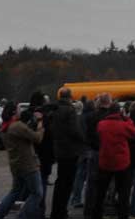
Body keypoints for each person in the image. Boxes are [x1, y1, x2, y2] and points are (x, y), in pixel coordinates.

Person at [0, 101, 46, 219]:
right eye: (19, 109)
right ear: (14, 112)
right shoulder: (17, 126)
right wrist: (40, 123)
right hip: (28, 164)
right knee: (37, 194)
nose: (20, 111)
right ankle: (23, 216)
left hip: (16, 164)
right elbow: (37, 138)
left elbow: (23, 136)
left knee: (15, 192)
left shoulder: (5, 127)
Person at [91, 103, 135, 219]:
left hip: (105, 162)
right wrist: (127, 118)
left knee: (100, 193)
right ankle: (122, 215)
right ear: (119, 112)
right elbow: (134, 132)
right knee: (123, 194)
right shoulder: (123, 125)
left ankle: (96, 214)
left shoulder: (101, 125)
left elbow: (98, 135)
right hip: (122, 163)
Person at [50, 88, 85, 219]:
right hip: (70, 151)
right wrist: (83, 139)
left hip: (59, 149)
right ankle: (62, 211)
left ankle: (56, 211)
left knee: (60, 182)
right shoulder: (70, 110)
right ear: (70, 97)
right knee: (68, 182)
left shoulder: (55, 109)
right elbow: (74, 130)